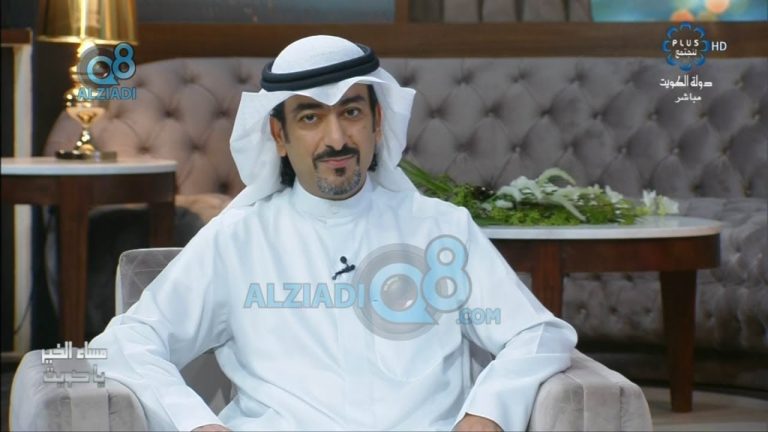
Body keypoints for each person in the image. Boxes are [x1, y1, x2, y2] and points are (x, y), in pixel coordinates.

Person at [89, 35, 577, 431]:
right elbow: (126, 343)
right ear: (279, 136)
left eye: (351, 112)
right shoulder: (238, 239)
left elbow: (538, 333)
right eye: (310, 118)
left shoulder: (441, 228)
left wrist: (487, 413)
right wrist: (197, 424)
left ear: (377, 122)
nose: (337, 139)